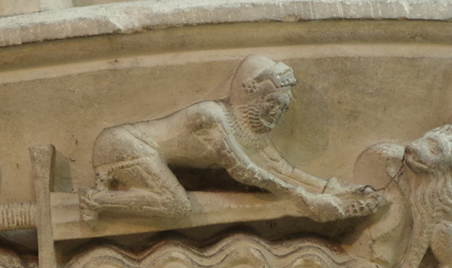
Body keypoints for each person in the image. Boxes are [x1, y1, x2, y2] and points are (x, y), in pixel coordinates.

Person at [80, 55, 379, 225]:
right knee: (176, 206)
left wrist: (330, 189)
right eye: (270, 104)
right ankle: (95, 200)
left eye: (282, 108)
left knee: (175, 204)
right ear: (248, 92)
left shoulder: (249, 130)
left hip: (136, 150)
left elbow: (281, 168)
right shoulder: (212, 118)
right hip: (122, 145)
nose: (276, 114)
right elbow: (245, 171)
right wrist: (302, 198)